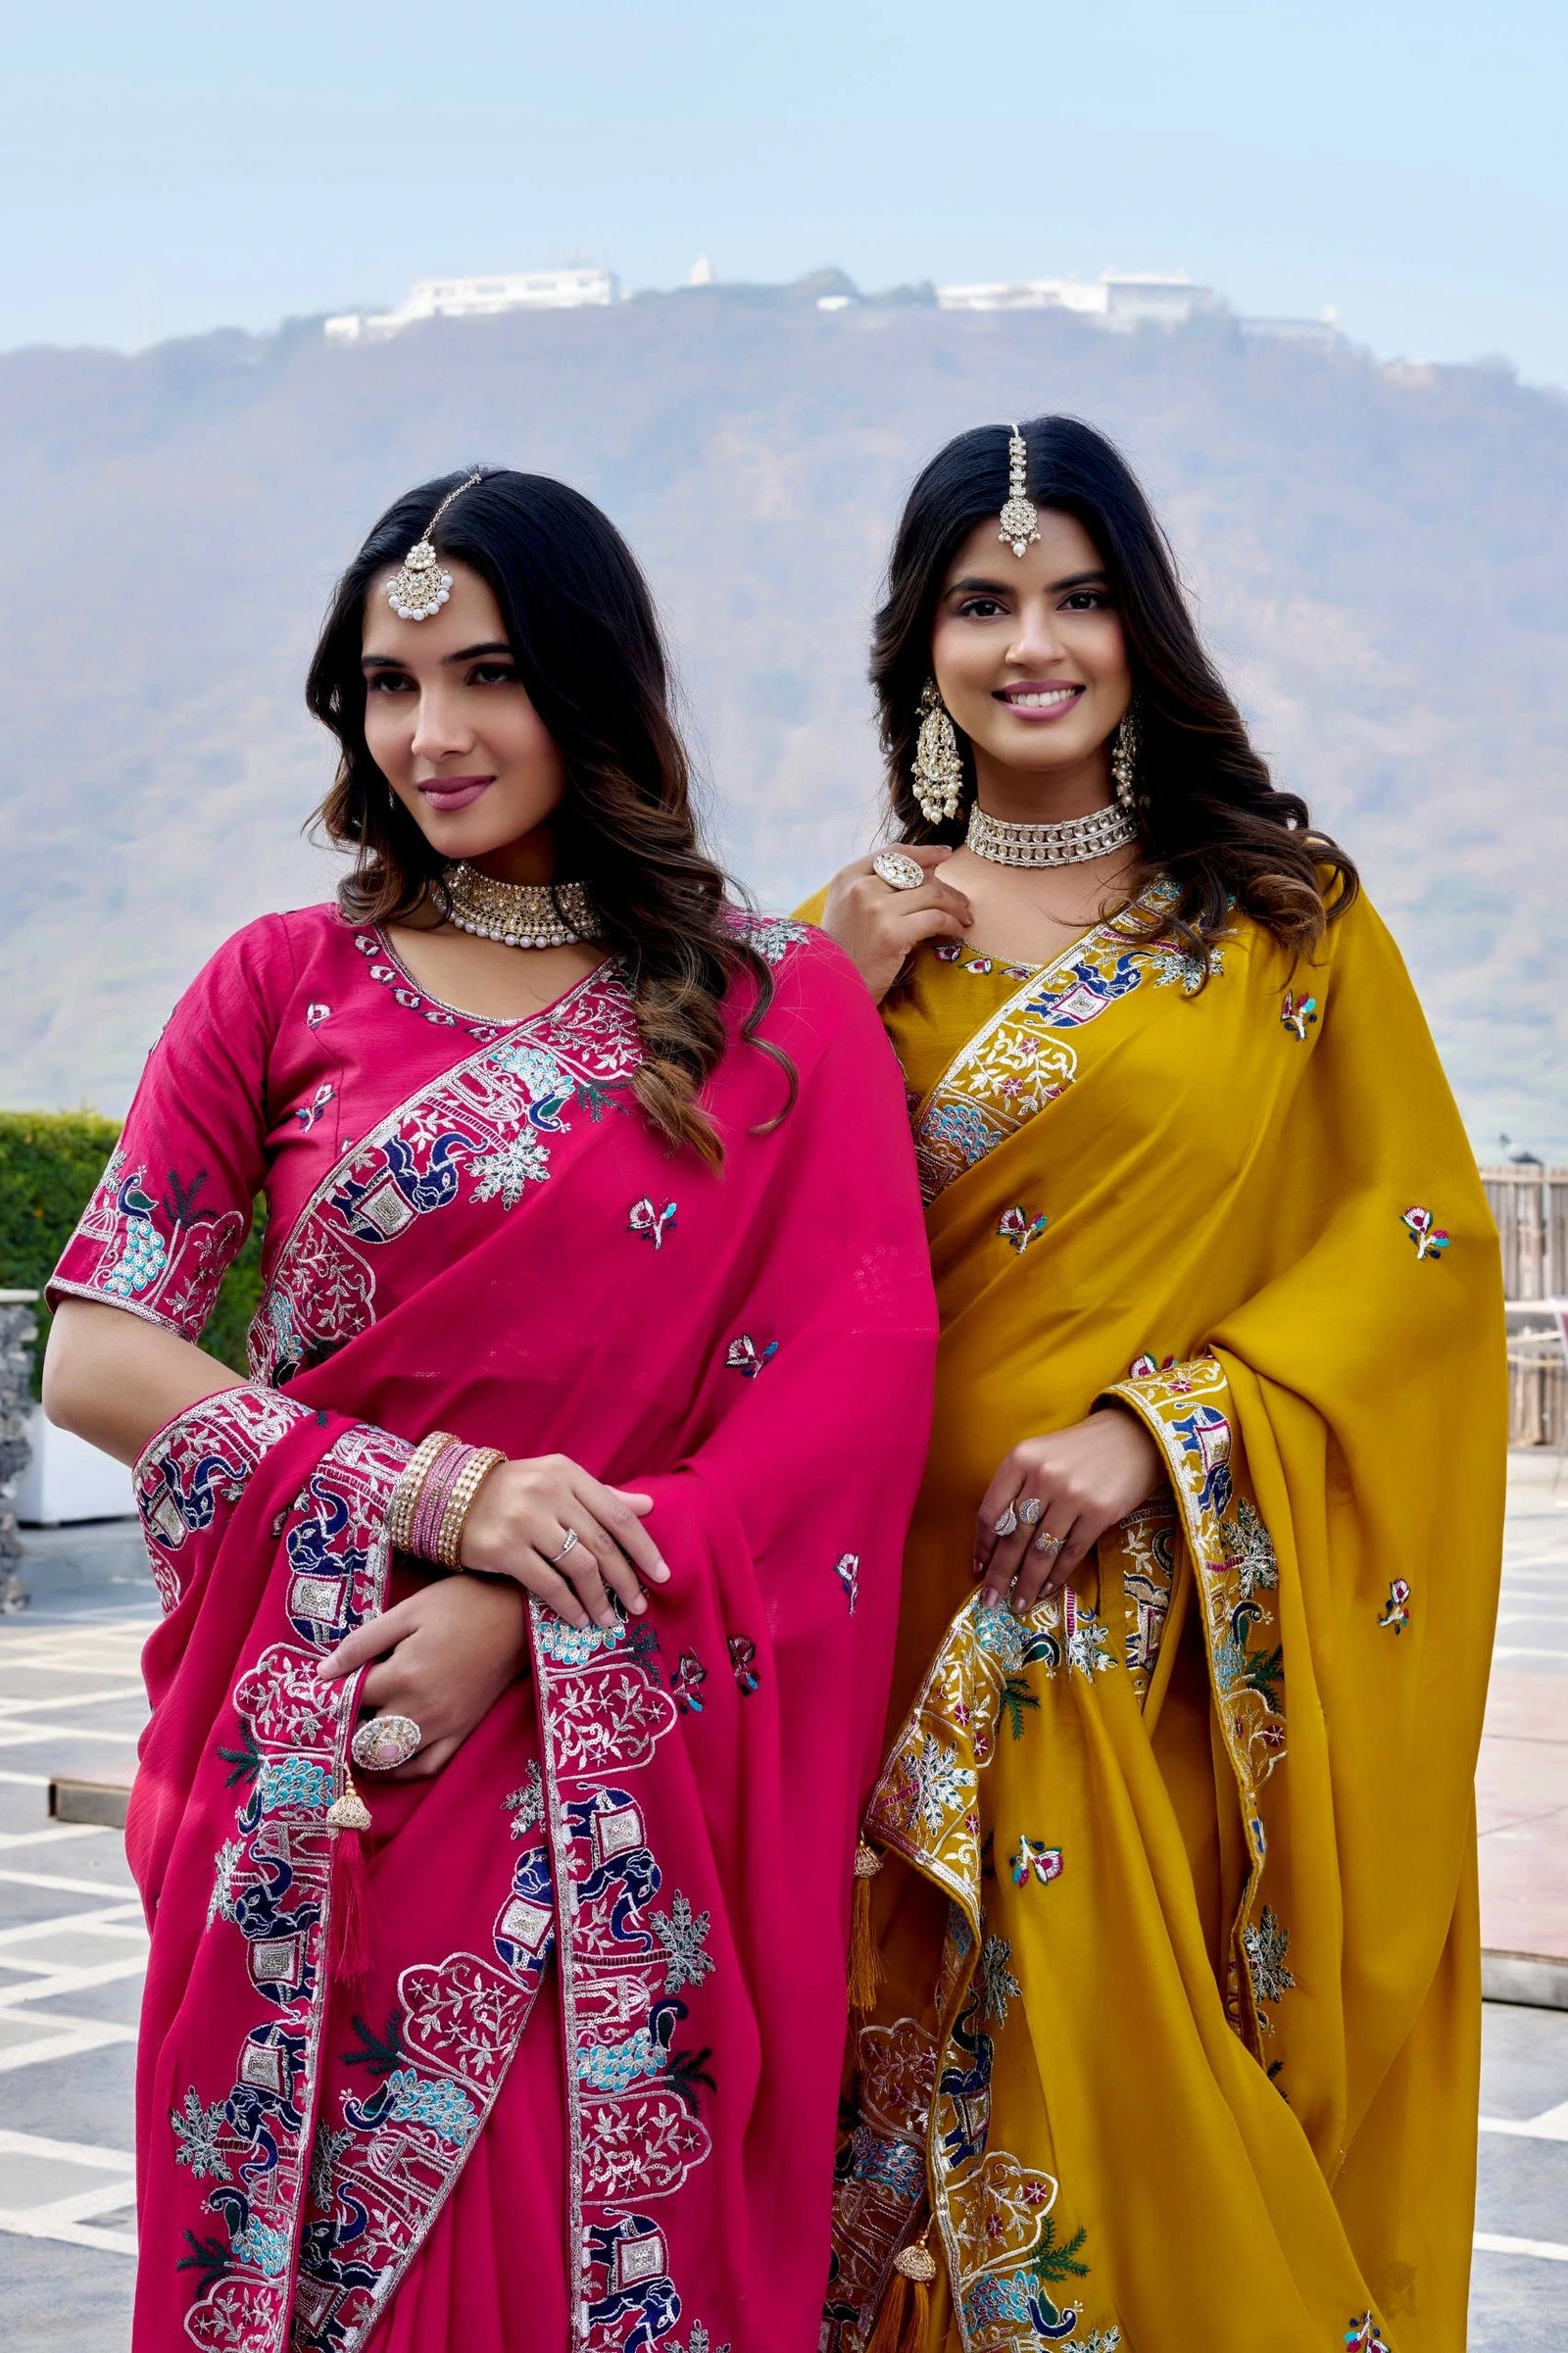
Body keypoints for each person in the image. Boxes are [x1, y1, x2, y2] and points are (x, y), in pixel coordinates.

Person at [42, 466, 938, 2353]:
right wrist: (436, 1497)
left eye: (487, 674)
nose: (431, 732)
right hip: (318, 1761)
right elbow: (100, 1349)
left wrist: (533, 1617)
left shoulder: (773, 1011)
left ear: (593, 686)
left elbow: (844, 1412)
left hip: (610, 1768)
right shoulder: (276, 983)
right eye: (387, 681)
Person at [800, 417, 1504, 2353]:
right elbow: (711, 1270)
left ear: (1141, 628)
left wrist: (1154, 1430)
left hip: (1177, 1644)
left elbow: (1414, 1258)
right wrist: (811, 1002)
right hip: (903, 1626)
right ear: (918, 646)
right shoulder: (847, 941)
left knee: (1161, 2123)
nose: (1032, 640)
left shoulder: (1281, 923)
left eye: (1076, 594)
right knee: (915, 2134)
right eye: (981, 600)